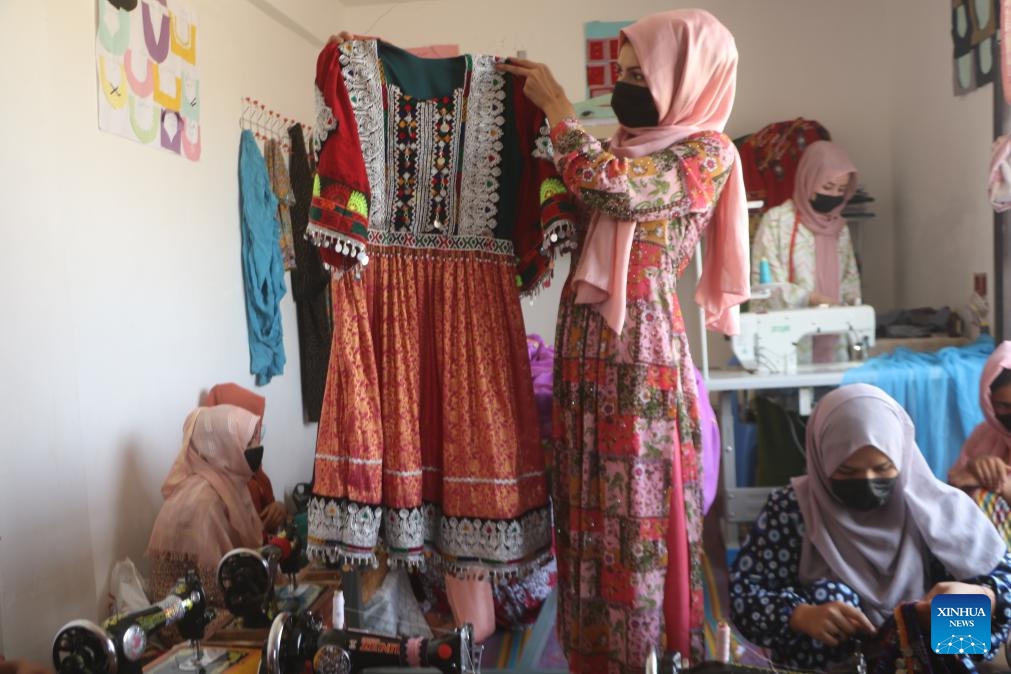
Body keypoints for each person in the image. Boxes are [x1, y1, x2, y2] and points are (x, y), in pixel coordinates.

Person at [498, 9, 749, 671]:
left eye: (643, 75)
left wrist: (556, 110)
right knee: (586, 508)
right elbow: (577, 188)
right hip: (585, 343)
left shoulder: (705, 154)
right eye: (625, 74)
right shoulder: (618, 142)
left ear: (686, 79)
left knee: (632, 512)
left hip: (638, 351)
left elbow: (615, 192)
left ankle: (642, 653)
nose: (626, 86)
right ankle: (592, 655)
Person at [729, 384, 1011, 672]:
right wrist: (800, 615)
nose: (867, 480)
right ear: (820, 458)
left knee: (959, 610)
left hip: (930, 661)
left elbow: (1005, 586)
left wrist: (983, 597)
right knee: (831, 594)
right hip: (830, 664)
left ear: (902, 457)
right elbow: (743, 594)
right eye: (847, 471)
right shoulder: (792, 511)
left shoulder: (938, 508)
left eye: (883, 468)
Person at [750, 140, 861, 363]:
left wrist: (852, 312)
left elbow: (850, 282)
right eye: (827, 187)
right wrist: (810, 298)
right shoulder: (777, 221)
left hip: (834, 344)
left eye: (841, 190)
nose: (833, 196)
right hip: (788, 344)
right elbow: (764, 286)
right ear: (808, 180)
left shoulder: (839, 228)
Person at [147, 404, 265, 607]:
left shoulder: (222, 486)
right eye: (248, 441)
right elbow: (216, 591)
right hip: (190, 619)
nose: (257, 445)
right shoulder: (207, 502)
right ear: (227, 447)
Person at [204, 382, 288, 533]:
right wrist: (259, 530)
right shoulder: (213, 492)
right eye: (251, 435)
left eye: (258, 431)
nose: (257, 442)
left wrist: (280, 509)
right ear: (227, 435)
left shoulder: (257, 476)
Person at [949, 341, 1011, 544]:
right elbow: (950, 502)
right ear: (988, 402)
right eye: (1003, 406)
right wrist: (972, 470)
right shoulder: (984, 436)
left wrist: (1002, 486)